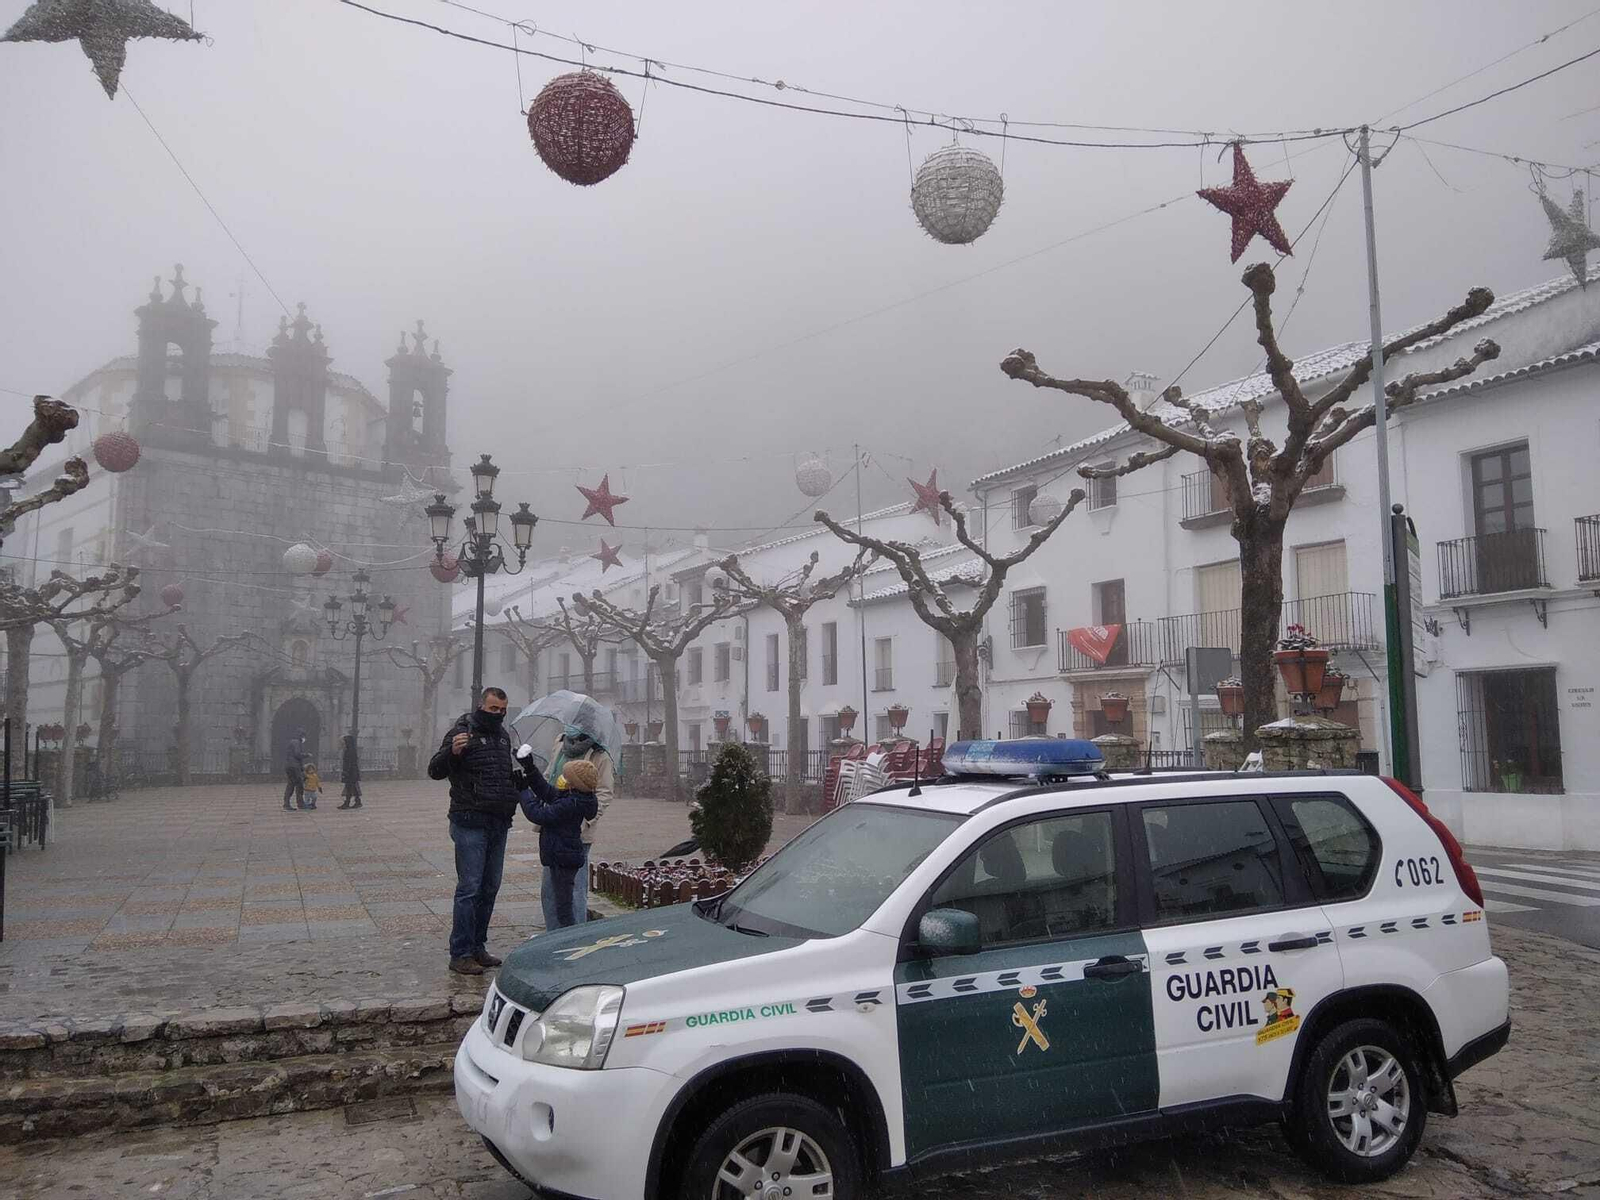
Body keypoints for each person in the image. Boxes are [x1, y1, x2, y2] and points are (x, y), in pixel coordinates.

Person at [429, 687, 518, 976]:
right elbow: (435, 770)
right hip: (470, 820)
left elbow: (503, 775)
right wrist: (453, 752)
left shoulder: (503, 737)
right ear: (481, 705)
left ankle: (478, 946)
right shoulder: (461, 732)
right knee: (469, 888)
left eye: (503, 710)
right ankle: (461, 952)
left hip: (499, 820)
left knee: (490, 887)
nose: (499, 714)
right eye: (493, 709)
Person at [542, 723, 615, 926]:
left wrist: (585, 819)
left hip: (577, 831)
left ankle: (575, 936)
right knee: (549, 889)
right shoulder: (560, 743)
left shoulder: (599, 754)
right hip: (554, 826)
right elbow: (549, 775)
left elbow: (605, 792)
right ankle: (552, 935)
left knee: (574, 889)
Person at [517, 755, 600, 929]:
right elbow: (547, 792)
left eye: (567, 777)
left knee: (563, 904)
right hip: (561, 854)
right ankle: (564, 933)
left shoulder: (572, 803)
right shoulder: (573, 796)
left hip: (564, 857)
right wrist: (529, 768)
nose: (562, 779)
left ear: (575, 784)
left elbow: (539, 815)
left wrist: (523, 791)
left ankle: (568, 937)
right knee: (560, 900)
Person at [282, 728, 308, 812]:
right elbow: (297, 754)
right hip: (294, 767)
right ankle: (299, 803)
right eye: (304, 736)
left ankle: (287, 803)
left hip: (290, 766)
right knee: (298, 785)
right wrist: (306, 755)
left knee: (291, 784)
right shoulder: (296, 742)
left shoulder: (292, 742)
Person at [338, 734, 363, 810]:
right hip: (352, 772)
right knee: (353, 787)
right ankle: (357, 801)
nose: (342, 744)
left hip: (350, 772)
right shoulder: (350, 750)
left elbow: (349, 763)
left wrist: (345, 772)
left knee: (349, 787)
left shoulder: (349, 751)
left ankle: (347, 803)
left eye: (343, 742)